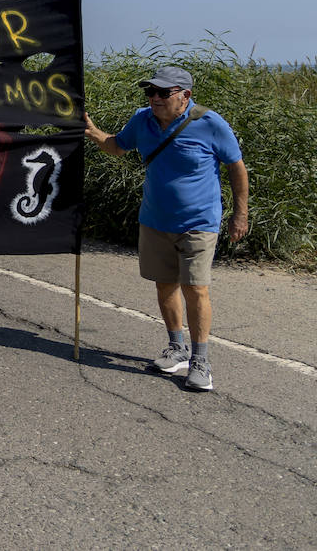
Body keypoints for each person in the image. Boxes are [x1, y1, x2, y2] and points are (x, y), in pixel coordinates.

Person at [85, 66, 248, 393]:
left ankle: (201, 361)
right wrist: (92, 132)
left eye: (163, 92)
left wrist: (240, 214)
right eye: (151, 92)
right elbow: (118, 146)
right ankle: (177, 348)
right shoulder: (142, 119)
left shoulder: (210, 123)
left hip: (198, 222)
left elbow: (236, 167)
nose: (154, 98)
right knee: (165, 284)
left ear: (185, 96)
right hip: (155, 220)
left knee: (196, 288)